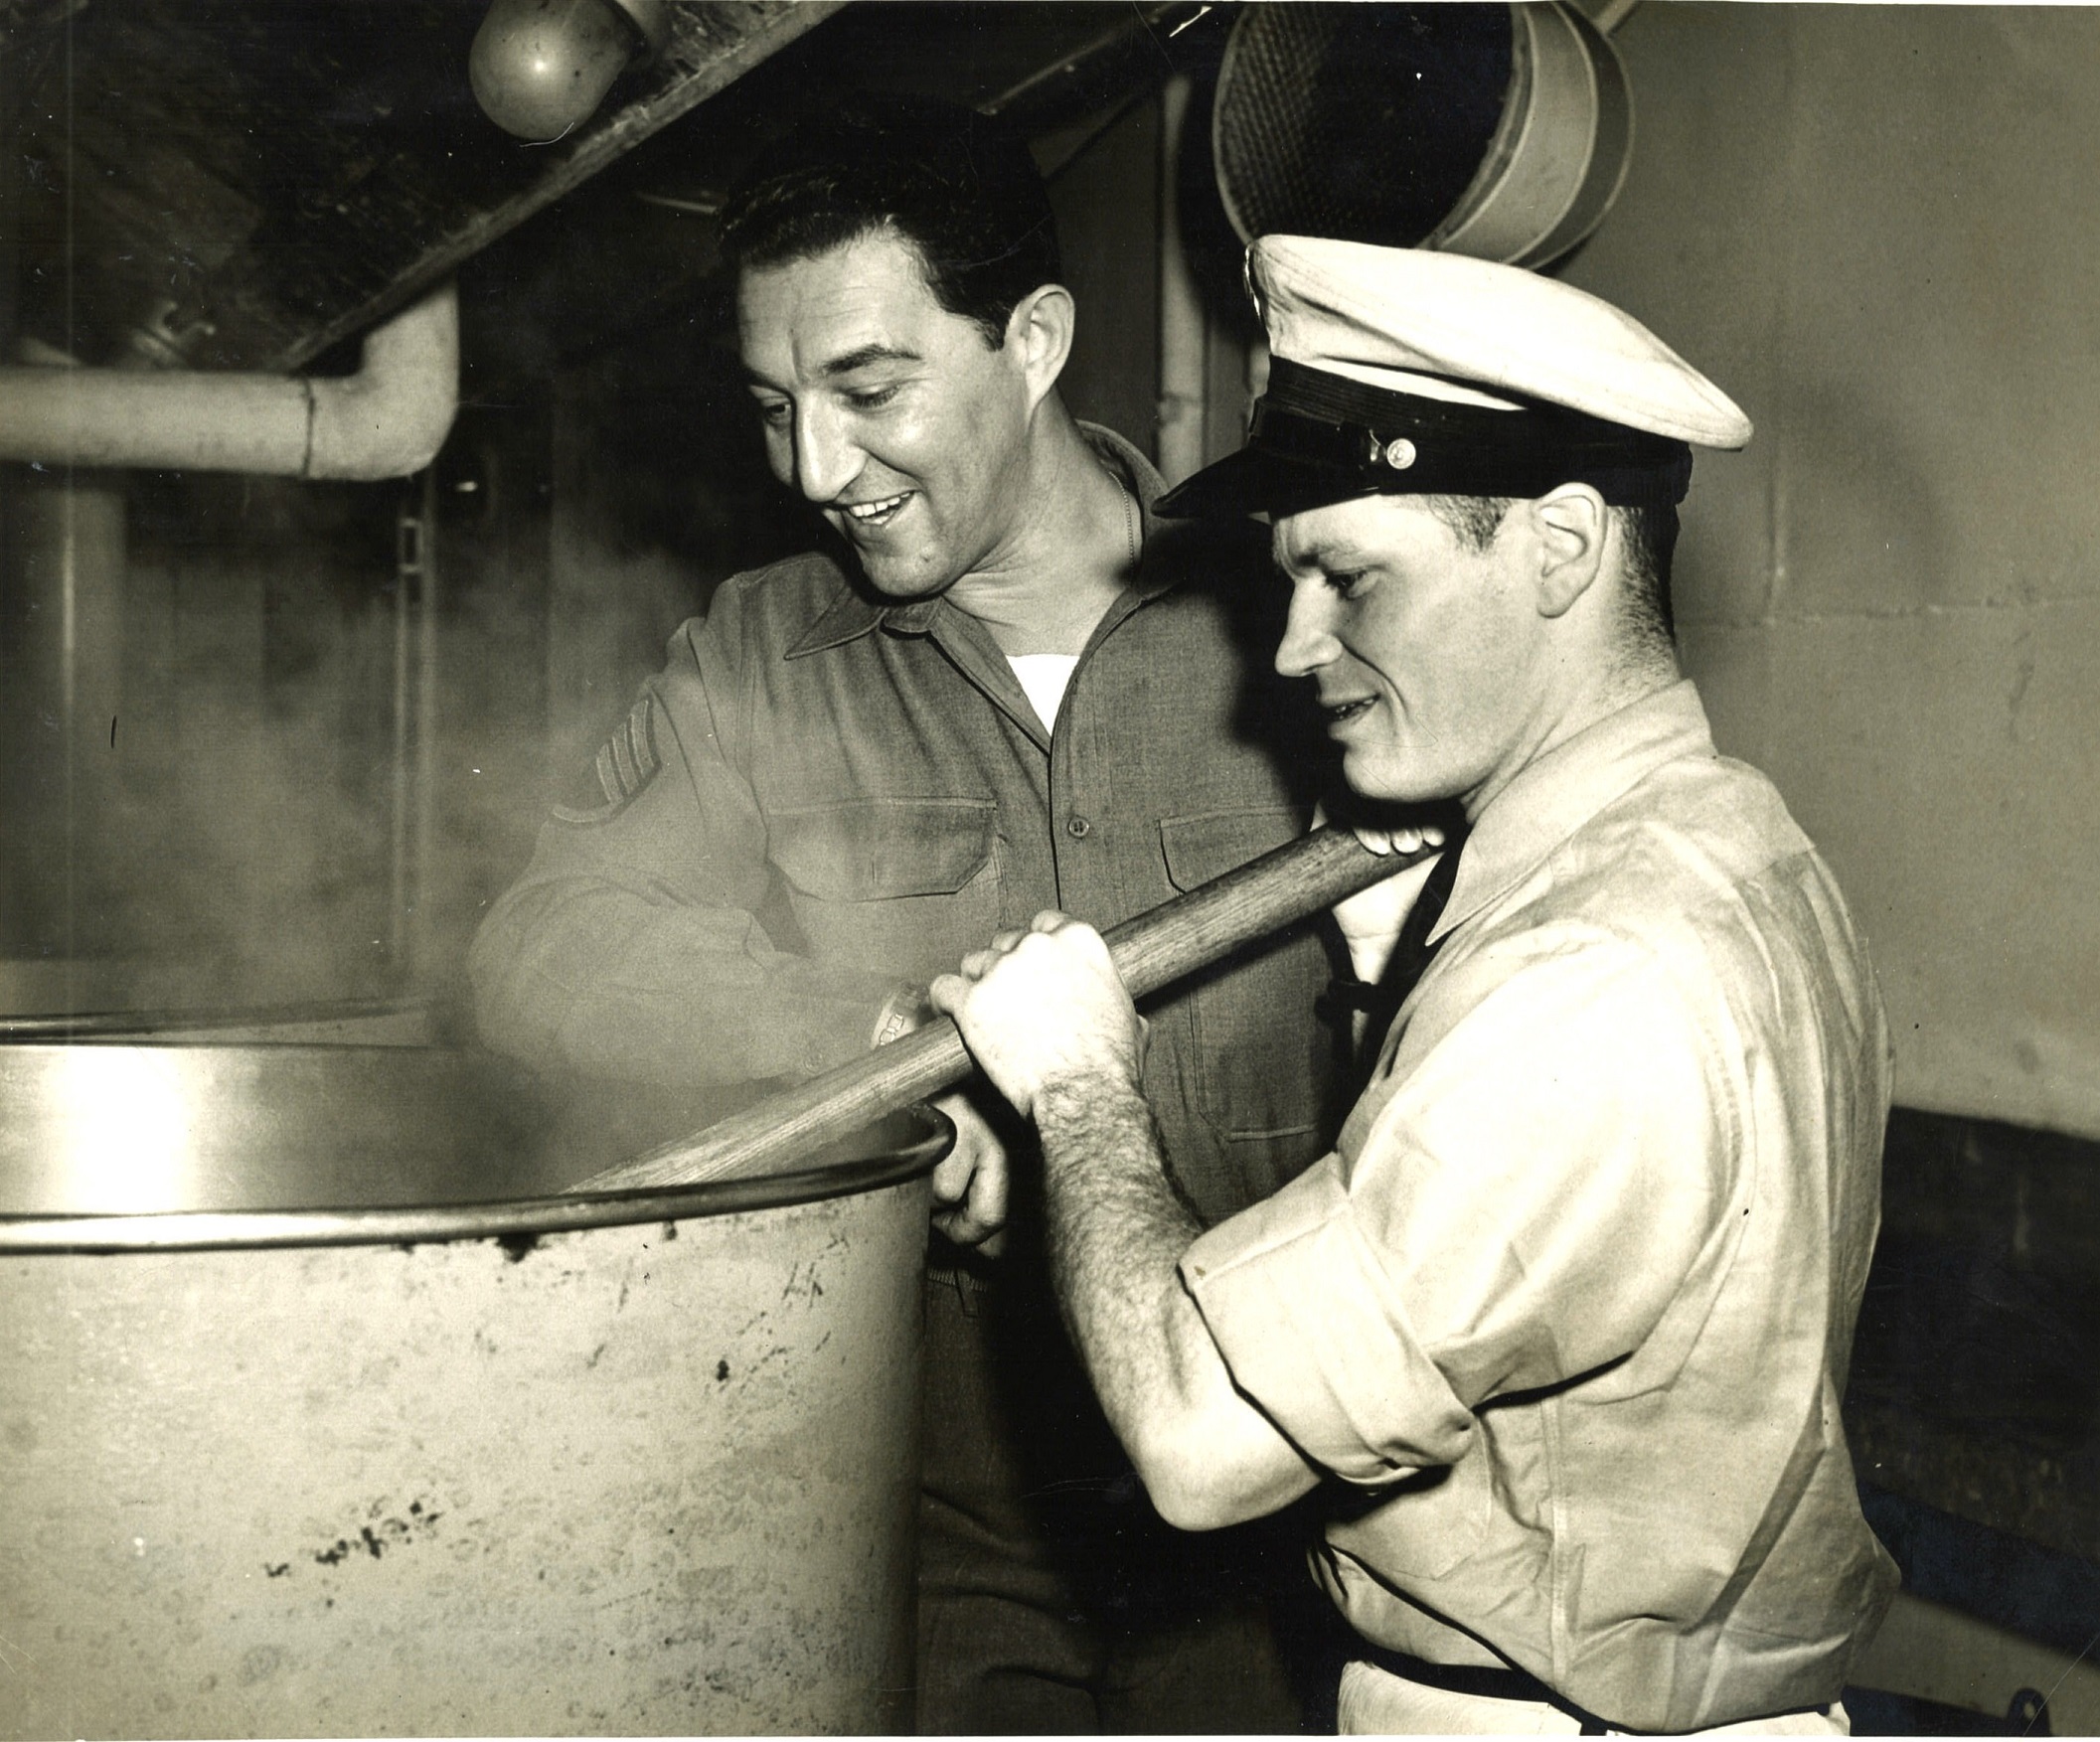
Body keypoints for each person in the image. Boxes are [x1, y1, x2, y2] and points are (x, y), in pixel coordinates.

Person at [931, 235, 1901, 1736]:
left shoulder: (1592, 972)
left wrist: (1073, 1081)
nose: (1293, 651)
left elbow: (1199, 1434)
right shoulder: (1719, 845)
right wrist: (1393, 972)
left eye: (1349, 578)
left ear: (1561, 544)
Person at [468, 100, 1346, 1732]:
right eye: (773, 406)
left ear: (1032, 339)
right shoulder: (759, 658)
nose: (814, 469)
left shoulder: (1301, 616)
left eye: (868, 393)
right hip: (934, 1516)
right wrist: (870, 1052)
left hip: (1291, 1521)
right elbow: (542, 939)